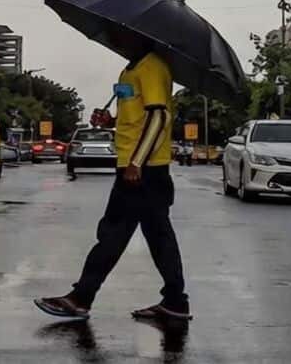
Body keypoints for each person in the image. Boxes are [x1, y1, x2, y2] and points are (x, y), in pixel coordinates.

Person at [34, 45, 190, 323]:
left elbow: (159, 116)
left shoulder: (152, 66)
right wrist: (111, 121)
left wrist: (137, 162)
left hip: (143, 171)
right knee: (157, 237)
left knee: (114, 233)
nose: (115, 37)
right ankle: (175, 301)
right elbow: (138, 116)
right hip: (139, 169)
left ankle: (81, 298)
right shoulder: (131, 68)